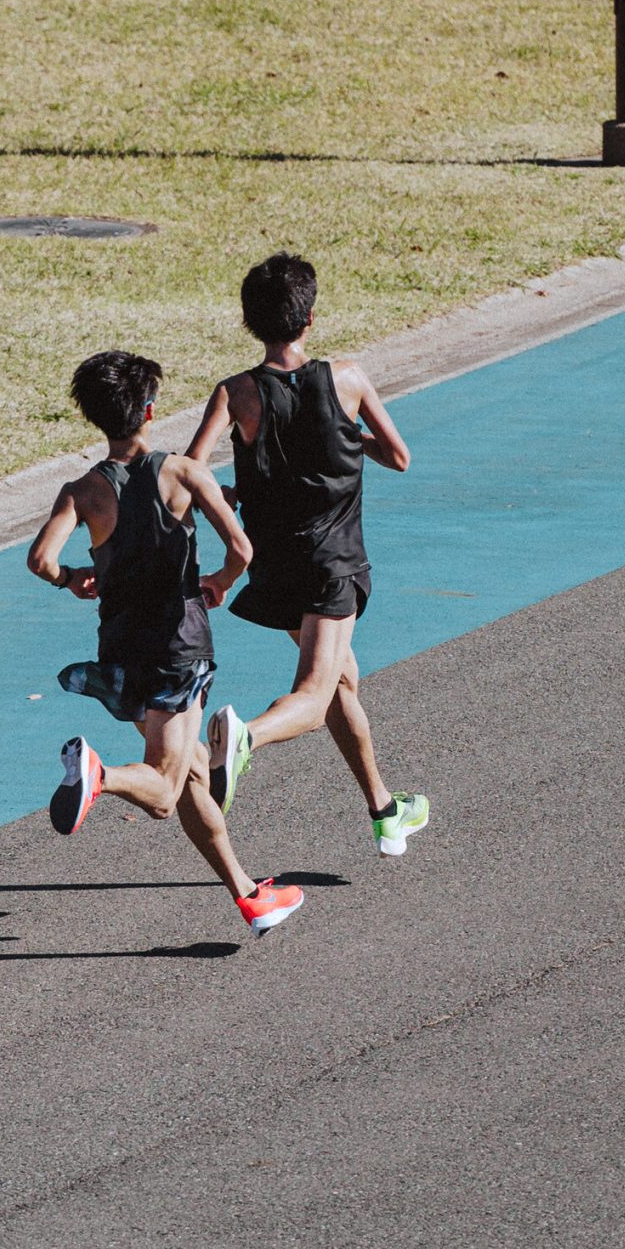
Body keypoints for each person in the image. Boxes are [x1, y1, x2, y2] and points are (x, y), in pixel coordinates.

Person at [28, 349, 305, 939]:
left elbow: (41, 559)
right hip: (179, 650)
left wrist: (71, 578)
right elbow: (243, 549)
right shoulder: (183, 474)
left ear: (93, 417)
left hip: (121, 652)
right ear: (150, 411)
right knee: (162, 790)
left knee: (194, 773)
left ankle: (249, 894)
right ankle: (101, 775)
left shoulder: (82, 490)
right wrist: (220, 582)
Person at [187, 253, 429, 856]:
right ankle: (246, 737)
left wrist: (228, 495)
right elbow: (399, 457)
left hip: (275, 566)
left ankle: (384, 809)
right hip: (332, 566)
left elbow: (191, 473)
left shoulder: (235, 393)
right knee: (316, 696)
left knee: (342, 681)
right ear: (311, 317)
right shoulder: (347, 378)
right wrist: (347, 437)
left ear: (249, 322)